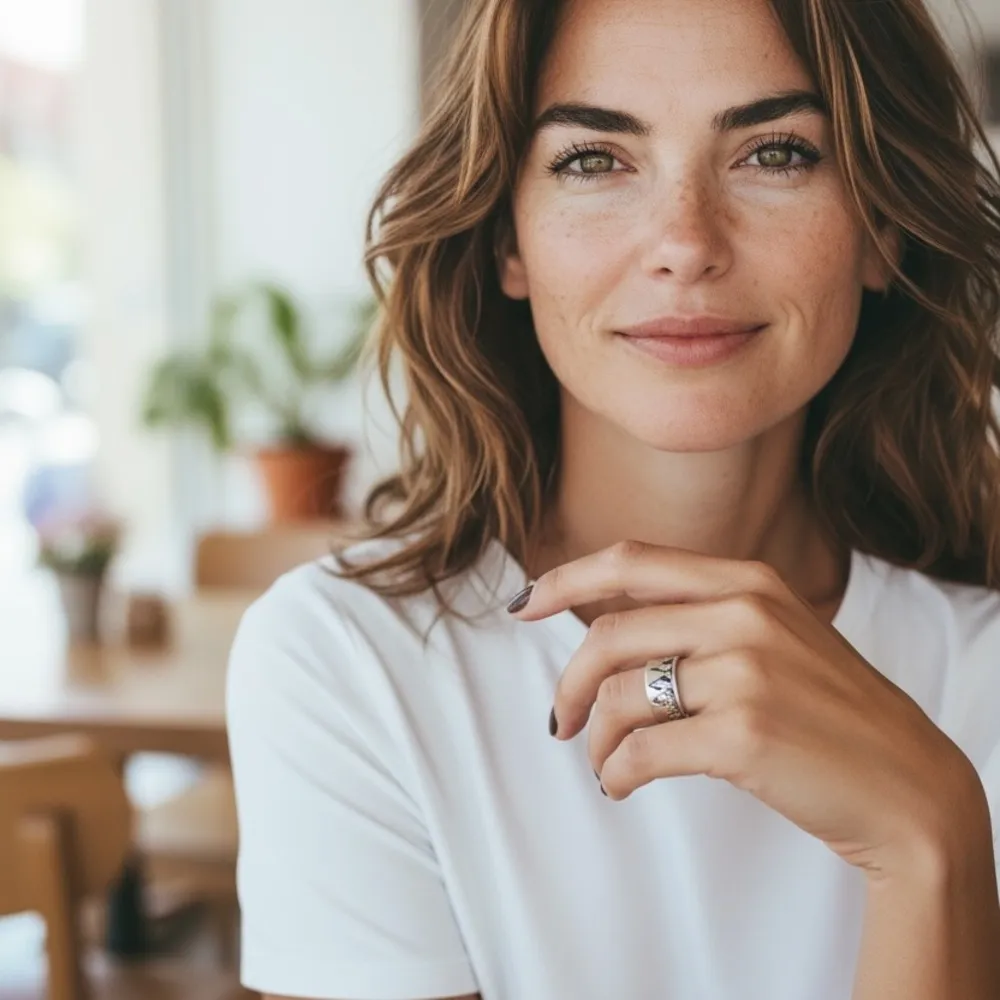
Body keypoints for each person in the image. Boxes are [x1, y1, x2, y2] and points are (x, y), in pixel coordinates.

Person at [225, 0, 1000, 997]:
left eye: (775, 153)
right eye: (594, 160)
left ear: (879, 222)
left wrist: (926, 834)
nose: (684, 243)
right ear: (508, 238)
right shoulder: (350, 662)